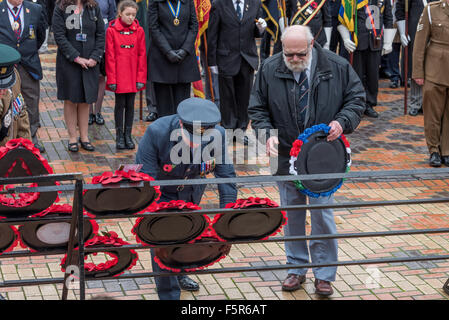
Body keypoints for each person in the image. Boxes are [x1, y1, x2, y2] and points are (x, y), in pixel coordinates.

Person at [248, 25, 365, 296]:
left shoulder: (336, 66)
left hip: (322, 156)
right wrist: (266, 134)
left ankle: (324, 274)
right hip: (283, 152)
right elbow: (257, 108)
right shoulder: (269, 67)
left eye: (300, 54)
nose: (294, 60)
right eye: (289, 54)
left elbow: (356, 99)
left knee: (322, 214)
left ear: (312, 45)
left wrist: (342, 121)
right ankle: (296, 268)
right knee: (292, 213)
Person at [136, 97, 237, 300]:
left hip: (191, 191)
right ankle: (168, 293)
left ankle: (181, 271)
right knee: (163, 240)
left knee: (189, 234)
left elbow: (226, 177)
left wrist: (226, 220)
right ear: (181, 124)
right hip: (161, 192)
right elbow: (145, 180)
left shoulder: (218, 134)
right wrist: (154, 220)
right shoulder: (157, 132)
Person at [207, 0, 267, 142]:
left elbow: (257, 33)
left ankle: (240, 131)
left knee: (244, 97)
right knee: (227, 97)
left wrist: (261, 28)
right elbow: (212, 34)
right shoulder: (219, 4)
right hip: (226, 57)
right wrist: (212, 61)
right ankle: (228, 129)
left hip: (247, 58)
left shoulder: (255, 4)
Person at [52, 0, 105, 152]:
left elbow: (101, 34)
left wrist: (95, 57)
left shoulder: (93, 8)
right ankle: (72, 137)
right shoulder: (61, 7)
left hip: (90, 63)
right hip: (69, 62)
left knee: (85, 100)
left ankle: (84, 137)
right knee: (70, 99)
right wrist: (76, 57)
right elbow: (60, 36)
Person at [0, 0, 47, 152]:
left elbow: (40, 36)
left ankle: (31, 140)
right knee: (5, 102)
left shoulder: (35, 9)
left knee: (31, 103)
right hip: (4, 68)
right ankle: (6, 139)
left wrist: (27, 53)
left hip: (29, 65)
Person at [337, 0, 395, 118]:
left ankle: (369, 103)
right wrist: (346, 38)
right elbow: (343, 18)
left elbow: (388, 18)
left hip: (375, 41)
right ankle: (354, 104)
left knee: (373, 75)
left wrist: (388, 42)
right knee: (356, 76)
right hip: (357, 42)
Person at [147, 0, 201, 117]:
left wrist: (185, 50)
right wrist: (168, 51)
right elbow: (154, 28)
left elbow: (193, 26)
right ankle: (166, 134)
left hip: (184, 60)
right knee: (165, 110)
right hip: (162, 59)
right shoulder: (155, 2)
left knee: (182, 108)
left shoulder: (188, 2)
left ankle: (180, 135)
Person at [105, 0, 147, 150]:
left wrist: (141, 78)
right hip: (119, 75)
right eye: (127, 14)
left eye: (133, 15)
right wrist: (112, 79)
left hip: (133, 75)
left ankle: (128, 135)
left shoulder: (139, 31)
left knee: (130, 106)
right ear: (120, 13)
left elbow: (142, 56)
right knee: (119, 105)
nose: (130, 17)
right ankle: (119, 136)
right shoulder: (111, 30)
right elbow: (110, 56)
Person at [412, 0, 449, 167]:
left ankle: (447, 151)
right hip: (435, 69)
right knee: (433, 113)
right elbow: (419, 44)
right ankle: (434, 150)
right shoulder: (431, 10)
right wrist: (418, 72)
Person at [396, 0, 437, 116]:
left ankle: (428, 103)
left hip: (436, 31)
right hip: (416, 30)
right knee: (416, 65)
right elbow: (400, 9)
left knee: (433, 68)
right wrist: (403, 31)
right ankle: (416, 103)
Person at [88, 0, 116, 125]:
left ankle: (97, 112)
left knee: (100, 78)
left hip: (103, 41)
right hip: (87, 40)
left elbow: (112, 18)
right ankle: (88, 112)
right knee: (88, 78)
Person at [0, 44, 32, 146]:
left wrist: (26, 148)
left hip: (10, 153)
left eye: (5, 85)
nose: (2, 91)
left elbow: (21, 113)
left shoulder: (15, 78)